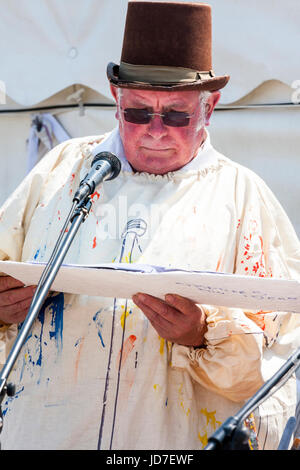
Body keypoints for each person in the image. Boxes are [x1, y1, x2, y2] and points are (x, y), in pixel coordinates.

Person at [0, 1, 299, 450]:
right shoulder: (62, 171)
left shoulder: (242, 196)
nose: (155, 130)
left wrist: (203, 335)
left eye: (177, 115)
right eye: (138, 112)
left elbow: (282, 367)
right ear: (116, 100)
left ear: (209, 107)